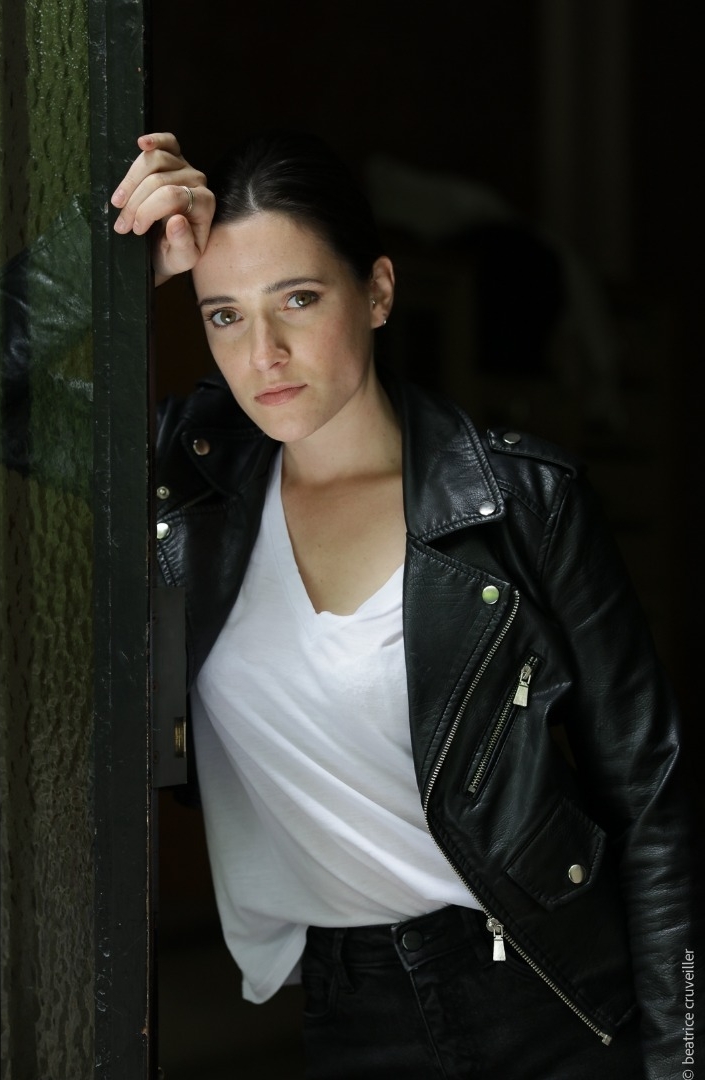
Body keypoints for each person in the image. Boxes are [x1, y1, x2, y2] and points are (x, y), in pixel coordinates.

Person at [112, 132, 700, 1080]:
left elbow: (648, 792)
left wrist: (680, 1058)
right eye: (224, 314)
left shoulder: (520, 505)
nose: (264, 353)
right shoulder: (185, 495)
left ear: (378, 292)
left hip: (548, 996)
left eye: (298, 299)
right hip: (350, 1007)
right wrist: (109, 268)